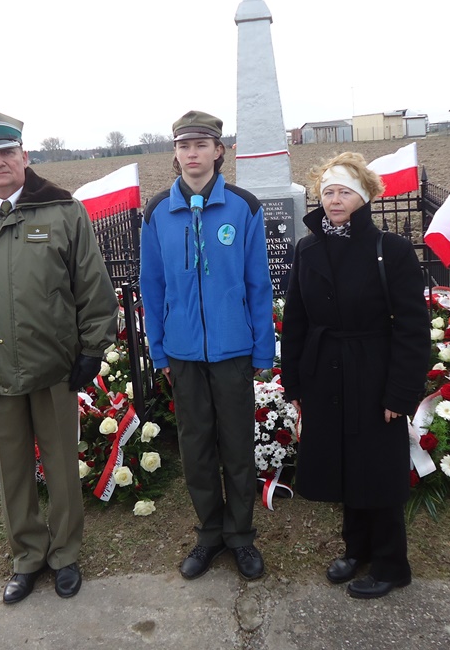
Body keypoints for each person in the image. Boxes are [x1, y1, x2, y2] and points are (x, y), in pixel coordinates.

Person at [0, 109, 117, 604]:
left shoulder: (61, 210)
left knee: (59, 465)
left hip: (54, 367)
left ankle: (65, 555)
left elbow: (92, 285)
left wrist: (94, 346)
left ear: (24, 155)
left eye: (7, 153)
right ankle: (27, 557)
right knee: (12, 470)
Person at [280, 152, 430, 599]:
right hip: (326, 372)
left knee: (376, 468)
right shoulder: (307, 248)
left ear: (363, 197)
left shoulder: (393, 250)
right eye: (328, 192)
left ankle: (390, 563)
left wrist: (400, 392)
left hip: (374, 371)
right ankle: (356, 549)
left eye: (345, 191)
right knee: (345, 463)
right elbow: (297, 320)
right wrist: (295, 383)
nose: (335, 200)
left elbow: (411, 327)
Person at [140, 109, 275, 582]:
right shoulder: (158, 211)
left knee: (237, 447)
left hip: (233, 352)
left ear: (220, 150)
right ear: (175, 154)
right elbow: (151, 287)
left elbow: (259, 285)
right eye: (183, 146)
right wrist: (159, 350)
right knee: (196, 448)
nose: (191, 154)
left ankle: (241, 537)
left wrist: (263, 350)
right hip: (183, 354)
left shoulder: (243, 207)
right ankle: (209, 533)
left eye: (201, 145)